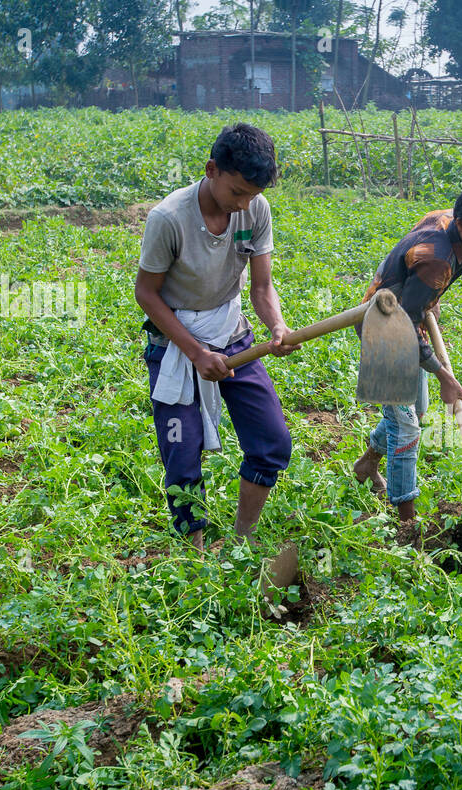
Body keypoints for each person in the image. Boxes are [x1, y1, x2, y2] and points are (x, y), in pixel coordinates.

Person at [134, 123, 299, 551]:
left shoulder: (255, 208)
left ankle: (243, 541)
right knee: (181, 454)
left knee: (272, 443)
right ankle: (196, 556)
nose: (244, 203)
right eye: (238, 192)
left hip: (234, 337)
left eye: (253, 194)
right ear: (211, 170)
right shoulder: (169, 219)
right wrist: (195, 352)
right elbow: (146, 294)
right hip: (174, 345)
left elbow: (261, 287)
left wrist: (277, 327)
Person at [351, 183, 462, 522]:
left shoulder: (445, 219)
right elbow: (403, 324)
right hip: (383, 329)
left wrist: (427, 300)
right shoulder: (437, 259)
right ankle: (404, 518)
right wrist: (443, 375)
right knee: (406, 427)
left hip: (406, 317)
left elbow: (412, 278)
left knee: (413, 414)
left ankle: (366, 465)